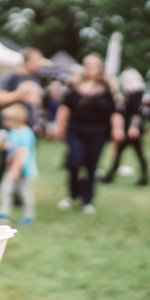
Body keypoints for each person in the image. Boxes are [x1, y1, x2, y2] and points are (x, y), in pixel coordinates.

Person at [54, 54, 124, 214]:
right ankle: (72, 195)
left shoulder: (109, 87)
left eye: (95, 65)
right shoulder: (74, 85)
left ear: (100, 68)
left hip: (98, 130)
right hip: (76, 129)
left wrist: (117, 128)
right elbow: (65, 107)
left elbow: (116, 111)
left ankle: (87, 200)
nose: (91, 68)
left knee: (92, 165)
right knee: (74, 162)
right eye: (88, 65)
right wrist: (60, 126)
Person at [0, 48, 44, 203]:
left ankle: (18, 197)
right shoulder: (11, 78)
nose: (39, 64)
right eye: (36, 60)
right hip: (9, 127)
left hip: (27, 128)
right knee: (4, 162)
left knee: (24, 161)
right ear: (26, 61)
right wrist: (21, 94)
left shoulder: (35, 78)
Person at [0, 103, 37, 226]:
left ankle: (29, 217)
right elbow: (10, 148)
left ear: (16, 119)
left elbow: (22, 152)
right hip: (12, 167)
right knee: (6, 190)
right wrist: (1, 143)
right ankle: (3, 213)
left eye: (7, 119)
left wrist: (16, 170)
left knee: (25, 193)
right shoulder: (13, 132)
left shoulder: (25, 133)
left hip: (23, 170)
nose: (5, 122)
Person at [101, 68, 150, 186]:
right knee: (128, 152)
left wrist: (134, 127)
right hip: (129, 127)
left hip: (132, 128)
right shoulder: (133, 93)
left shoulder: (135, 94)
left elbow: (137, 112)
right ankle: (111, 176)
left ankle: (111, 176)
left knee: (132, 153)